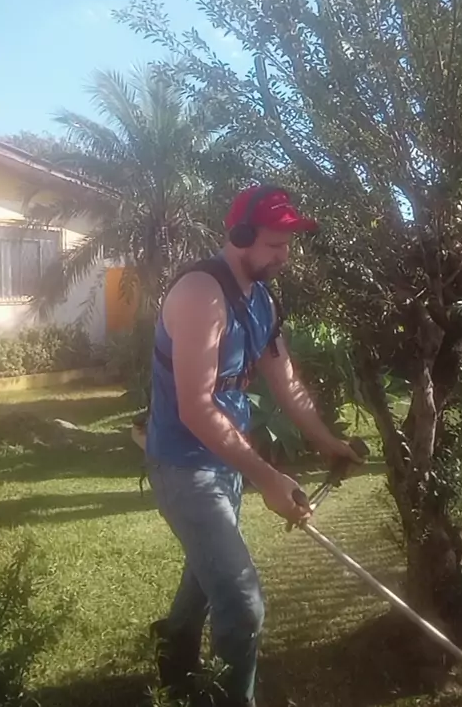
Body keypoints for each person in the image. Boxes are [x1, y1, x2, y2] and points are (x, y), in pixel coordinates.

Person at [145, 185, 361, 707]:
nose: (285, 256)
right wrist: (269, 478)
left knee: (206, 570)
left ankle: (173, 653)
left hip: (224, 461)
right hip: (183, 466)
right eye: (275, 245)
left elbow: (285, 382)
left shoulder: (262, 300)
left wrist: (330, 443)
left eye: (288, 245)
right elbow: (195, 409)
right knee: (242, 603)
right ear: (240, 236)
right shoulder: (201, 295)